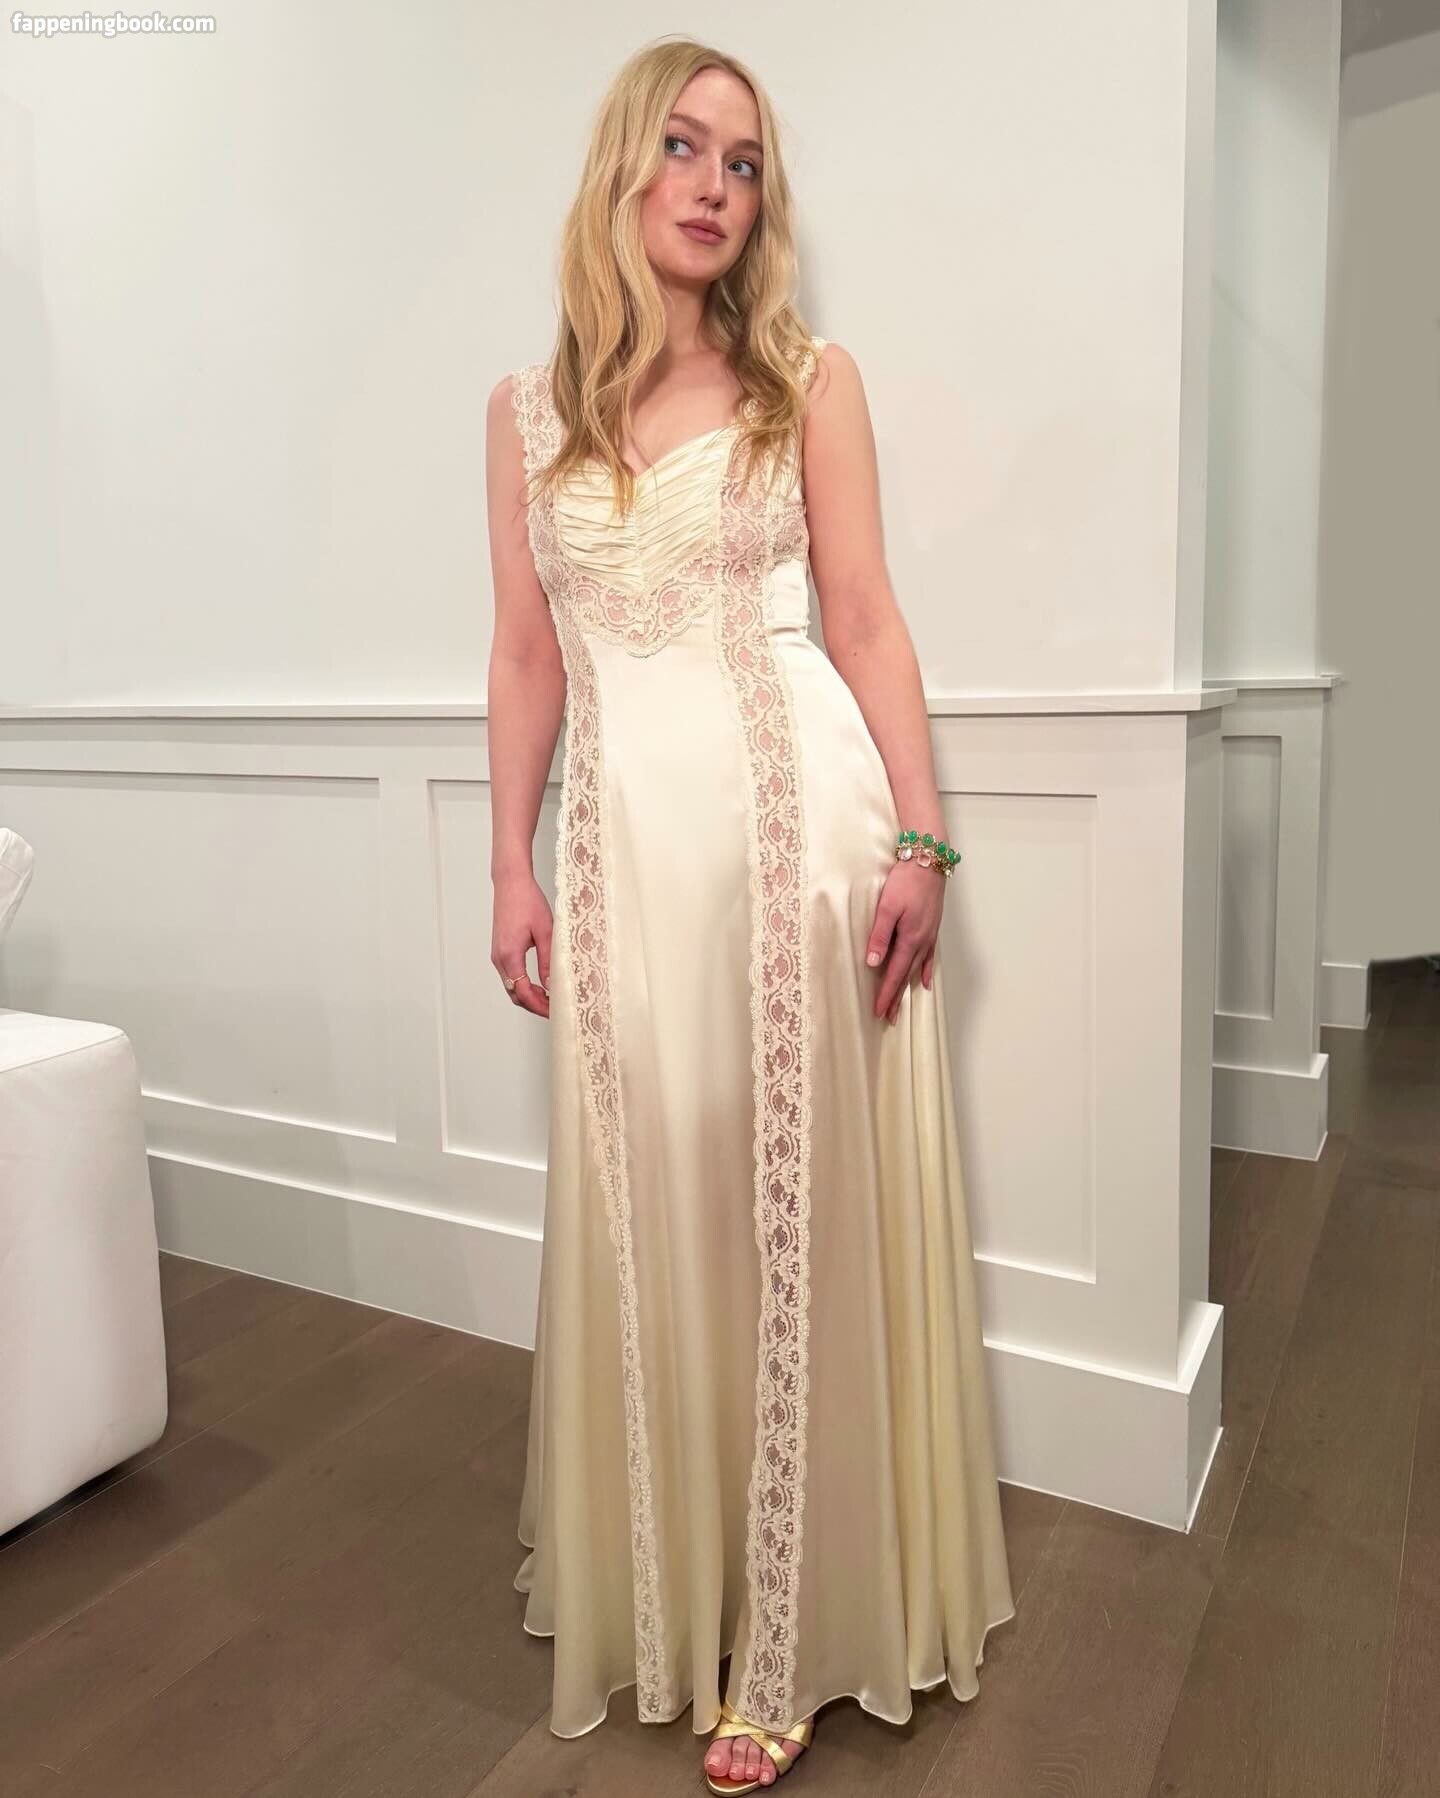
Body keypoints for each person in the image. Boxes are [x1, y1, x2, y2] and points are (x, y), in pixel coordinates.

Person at [484, 35, 1015, 1793]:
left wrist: (923, 841)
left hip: (798, 839)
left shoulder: (805, 384)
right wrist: (511, 860)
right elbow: (525, 656)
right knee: (659, 1207)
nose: (715, 187)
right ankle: (679, 1581)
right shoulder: (525, 415)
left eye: (746, 163)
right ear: (623, 167)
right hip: (623, 864)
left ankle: (782, 1630)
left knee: (791, 1217)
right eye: (685, 148)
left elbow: (864, 616)